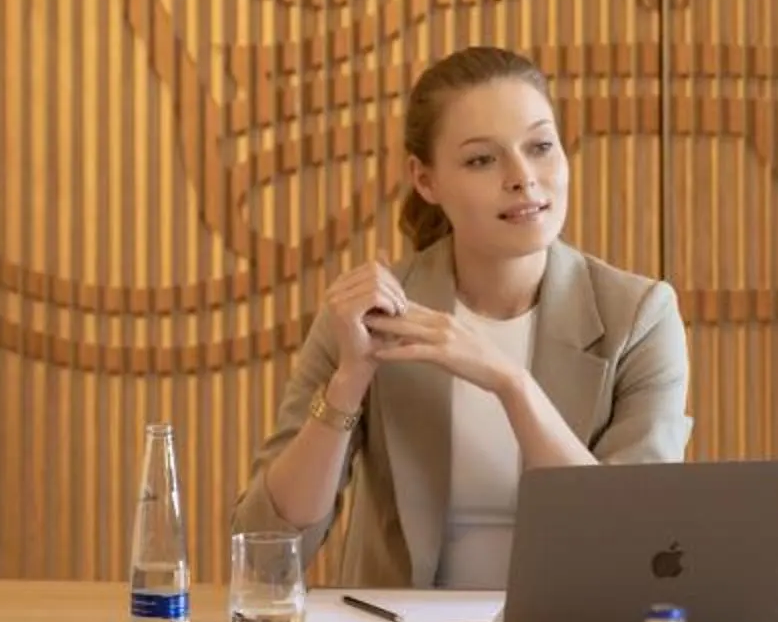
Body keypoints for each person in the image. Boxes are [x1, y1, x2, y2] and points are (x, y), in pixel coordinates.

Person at [231, 46, 690, 587]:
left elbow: (633, 546)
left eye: (540, 146)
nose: (523, 177)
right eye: (481, 160)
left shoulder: (639, 315)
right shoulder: (370, 311)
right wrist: (349, 381)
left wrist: (510, 383)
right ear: (425, 180)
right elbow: (265, 548)